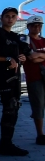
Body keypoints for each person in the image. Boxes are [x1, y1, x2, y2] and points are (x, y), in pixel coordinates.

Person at [0, 7, 32, 156]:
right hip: (2, 77)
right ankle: (5, 145)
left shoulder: (15, 37)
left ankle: (7, 143)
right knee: (9, 109)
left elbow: (23, 55)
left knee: (14, 109)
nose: (10, 19)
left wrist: (22, 58)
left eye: (13, 16)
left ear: (16, 19)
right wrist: (7, 59)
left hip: (14, 78)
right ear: (2, 18)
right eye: (7, 16)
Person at [22, 16, 45, 145]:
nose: (37, 28)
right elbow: (31, 58)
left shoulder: (44, 41)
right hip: (34, 78)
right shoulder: (25, 41)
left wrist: (39, 55)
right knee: (38, 106)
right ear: (28, 27)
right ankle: (40, 135)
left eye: (39, 25)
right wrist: (42, 56)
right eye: (34, 25)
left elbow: (36, 57)